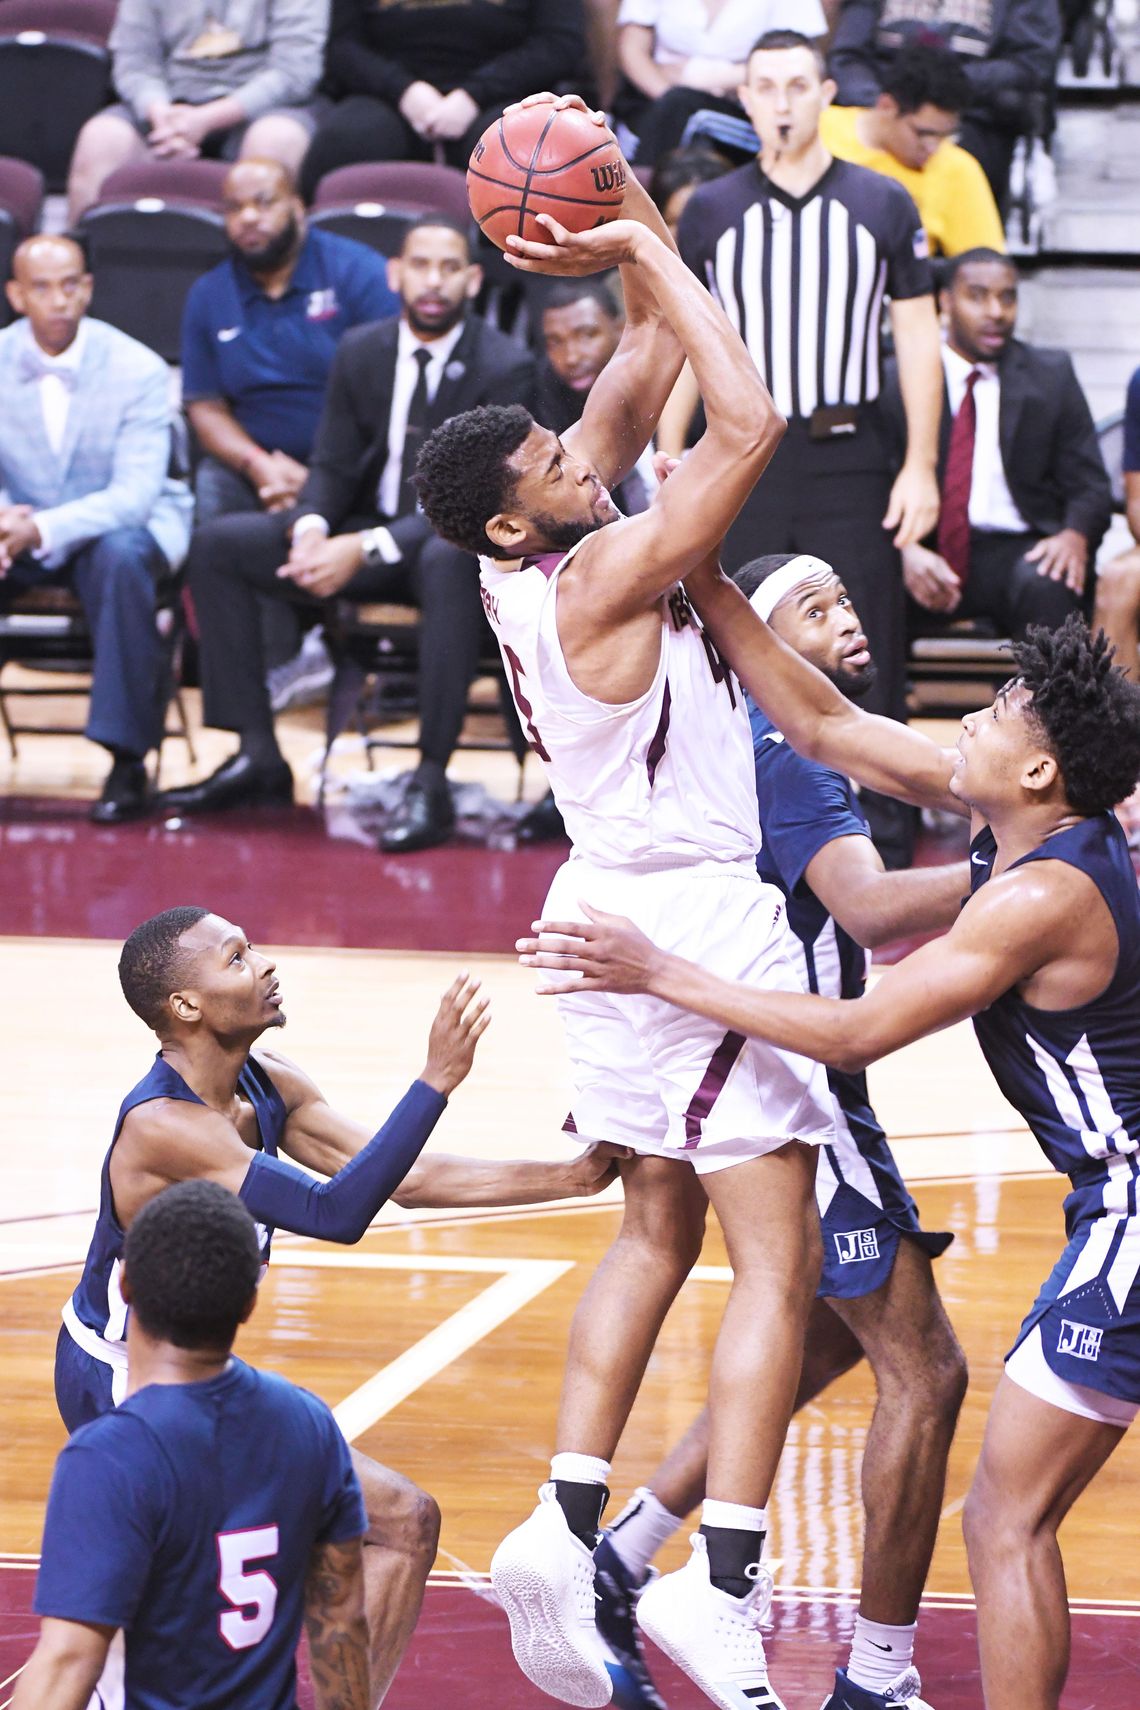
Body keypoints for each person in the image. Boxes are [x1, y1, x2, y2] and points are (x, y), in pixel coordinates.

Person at [519, 603, 1140, 1710]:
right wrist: (705, 574)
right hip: (1108, 1208)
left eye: (998, 708)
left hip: (1129, 1209)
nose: (970, 715)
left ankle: (711, 1592)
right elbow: (827, 720)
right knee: (964, 1458)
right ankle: (648, 1557)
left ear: (1041, 768)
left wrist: (656, 969)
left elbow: (858, 1027)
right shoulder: (1024, 831)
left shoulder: (1044, 890)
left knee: (1006, 1511)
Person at [416, 92, 838, 1710]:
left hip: (611, 897)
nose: (577, 435)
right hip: (686, 920)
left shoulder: (517, 540)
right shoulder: (596, 567)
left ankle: (566, 1514)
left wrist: (623, 214)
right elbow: (747, 424)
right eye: (552, 448)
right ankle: (723, 1585)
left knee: (652, 1222)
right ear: (529, 509)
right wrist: (655, 243)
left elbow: (634, 385)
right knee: (775, 1255)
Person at [57, 903, 620, 1705]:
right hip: (122, 1375)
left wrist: (567, 1177)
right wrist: (435, 1081)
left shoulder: (267, 1082)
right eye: (238, 957)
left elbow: (401, 1180)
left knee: (403, 1521)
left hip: (202, 1366)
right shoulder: (163, 1128)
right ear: (184, 1006)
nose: (266, 964)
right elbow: (337, 1214)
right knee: (195, 1587)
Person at [591, 553, 969, 1710]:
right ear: (754, 631)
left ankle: (622, 1551)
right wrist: (1021, 871)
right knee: (929, 1372)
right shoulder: (790, 750)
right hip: (803, 1076)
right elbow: (868, 908)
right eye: (815, 604)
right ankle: (877, 1678)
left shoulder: (721, 734)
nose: (846, 615)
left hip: (725, 1066)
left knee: (833, 1334)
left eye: (848, 598)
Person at [158, 215, 536, 850]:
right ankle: (258, 755)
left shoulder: (506, 367)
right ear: (396, 275)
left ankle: (431, 779)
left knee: (451, 561)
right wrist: (311, 529)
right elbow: (332, 463)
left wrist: (359, 550)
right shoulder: (361, 349)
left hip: (442, 541)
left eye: (449, 268)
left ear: (473, 280)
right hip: (360, 525)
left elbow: (479, 500)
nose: (433, 281)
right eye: (421, 265)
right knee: (220, 545)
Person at [677, 28, 943, 866]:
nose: (784, 101)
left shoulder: (882, 203)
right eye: (767, 86)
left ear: (827, 96)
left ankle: (890, 827)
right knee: (741, 637)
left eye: (799, 85)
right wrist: (666, 443)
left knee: (867, 642)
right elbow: (688, 334)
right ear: (745, 98)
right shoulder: (713, 211)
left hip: (848, 448)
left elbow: (920, 339)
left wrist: (922, 464)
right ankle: (747, 812)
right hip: (744, 457)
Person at [18, 1179, 371, 1710]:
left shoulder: (109, 1456)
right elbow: (340, 1621)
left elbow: (68, 1661)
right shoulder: (308, 1423)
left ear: (125, 1283)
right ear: (249, 1302)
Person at [0, 234, 192, 824]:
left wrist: (39, 529)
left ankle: (127, 760)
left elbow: (133, 498)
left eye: (70, 285)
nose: (58, 300)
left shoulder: (137, 366)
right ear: (15, 295)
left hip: (123, 524)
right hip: (20, 524)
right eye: (41, 287)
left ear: (87, 288)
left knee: (120, 559)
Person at [886, 249, 1113, 645]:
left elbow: (1089, 484)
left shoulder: (1050, 375)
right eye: (978, 296)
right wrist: (903, 551)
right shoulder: (898, 377)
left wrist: (1073, 536)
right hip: (924, 548)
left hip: (1018, 551)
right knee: (867, 574)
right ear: (946, 301)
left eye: (1008, 297)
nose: (996, 311)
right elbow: (867, 482)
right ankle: (872, 707)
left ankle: (1045, 709)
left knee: (1050, 579)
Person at [183, 158, 397, 528]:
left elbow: (392, 393)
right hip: (256, 469)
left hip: (351, 465)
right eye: (235, 207)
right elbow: (205, 406)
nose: (248, 217)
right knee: (212, 487)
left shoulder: (359, 273)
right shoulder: (209, 294)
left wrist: (325, 480)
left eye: (264, 203)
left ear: (298, 208)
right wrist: (257, 464)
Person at [67, 0, 329, 221]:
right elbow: (134, 63)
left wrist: (205, 119)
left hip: (264, 106)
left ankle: (266, 273)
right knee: (100, 139)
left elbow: (295, 72)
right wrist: (161, 114)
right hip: (169, 105)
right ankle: (81, 264)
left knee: (275, 139)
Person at [298, 0, 588, 199]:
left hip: (505, 94)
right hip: (388, 94)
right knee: (346, 141)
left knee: (522, 155)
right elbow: (341, 47)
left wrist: (475, 94)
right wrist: (403, 90)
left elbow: (560, 43)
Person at [829, 0, 1064, 209]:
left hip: (971, 111)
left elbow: (1032, 64)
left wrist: (942, 89)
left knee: (962, 157)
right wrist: (881, 106)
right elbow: (848, 57)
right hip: (885, 105)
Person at [822, 42, 1006, 256]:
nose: (933, 148)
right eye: (923, 134)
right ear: (887, 107)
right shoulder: (820, 131)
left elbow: (984, 264)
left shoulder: (958, 169)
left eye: (945, 136)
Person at [614, 0, 826, 165]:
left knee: (684, 112)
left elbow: (798, 61)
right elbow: (632, 49)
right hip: (656, 98)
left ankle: (644, 206)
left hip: (746, 109)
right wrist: (669, 97)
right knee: (671, 112)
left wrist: (706, 76)